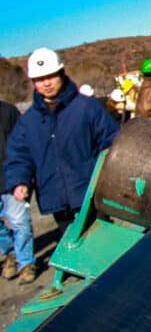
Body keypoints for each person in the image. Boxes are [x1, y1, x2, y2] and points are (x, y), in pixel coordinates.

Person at [4, 47, 119, 250]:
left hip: (92, 195)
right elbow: (19, 156)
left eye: (51, 76)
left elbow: (112, 142)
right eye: (40, 79)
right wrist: (20, 181)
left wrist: (106, 176)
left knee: (104, 249)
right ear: (33, 83)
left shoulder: (87, 107)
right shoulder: (28, 121)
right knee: (74, 253)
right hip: (57, 199)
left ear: (61, 73)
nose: (47, 83)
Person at [0, 100, 34, 284]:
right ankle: (10, 254)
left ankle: (26, 263)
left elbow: (23, 144)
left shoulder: (8, 111)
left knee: (20, 222)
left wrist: (25, 175)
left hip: (10, 178)